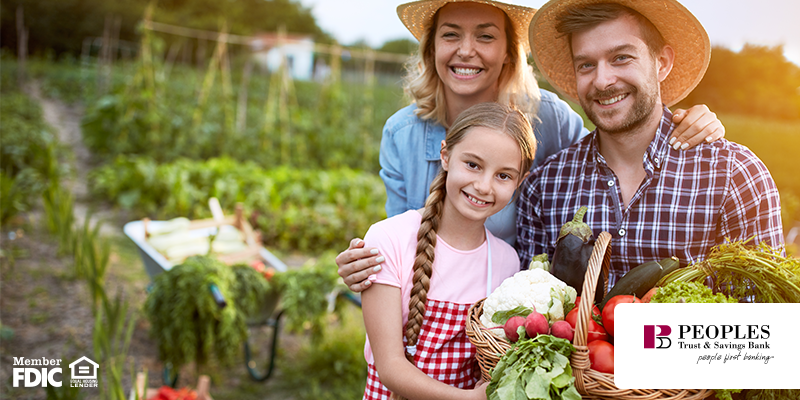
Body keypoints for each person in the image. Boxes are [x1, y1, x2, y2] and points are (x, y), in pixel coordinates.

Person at [337, 0, 725, 293]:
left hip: (504, 306)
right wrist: (368, 262)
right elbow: (398, 241)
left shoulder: (548, 119)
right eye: (450, 34)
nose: (466, 50)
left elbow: (611, 155)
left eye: (486, 35)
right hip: (431, 307)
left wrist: (682, 119)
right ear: (431, 48)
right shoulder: (402, 133)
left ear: (509, 51)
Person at [517, 0, 784, 287]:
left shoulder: (734, 175)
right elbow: (535, 313)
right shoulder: (544, 187)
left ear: (662, 63)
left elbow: (763, 315)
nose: (603, 80)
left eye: (621, 57)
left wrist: (646, 332)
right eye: (586, 65)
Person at [361, 102, 536, 400]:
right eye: (473, 165)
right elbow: (390, 367)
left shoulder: (506, 261)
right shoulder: (389, 238)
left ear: (519, 182)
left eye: (503, 176)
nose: (483, 186)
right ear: (445, 155)